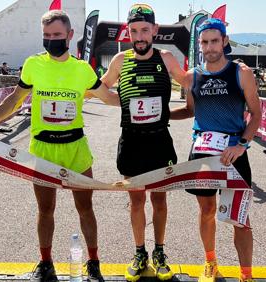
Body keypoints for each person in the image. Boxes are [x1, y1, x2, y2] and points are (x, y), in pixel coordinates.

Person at [0, 10, 119, 282]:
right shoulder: (32, 65)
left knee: (85, 207)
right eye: (46, 36)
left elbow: (108, 98)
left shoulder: (82, 70)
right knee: (45, 209)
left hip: (75, 148)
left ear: (70, 36)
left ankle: (94, 261)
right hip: (43, 149)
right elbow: (15, 100)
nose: (51, 41)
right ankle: (45, 261)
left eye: (57, 36)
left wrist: (137, 102)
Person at [171, 18, 261, 282]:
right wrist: (160, 115)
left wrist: (242, 145)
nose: (209, 47)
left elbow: (256, 115)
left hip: (233, 151)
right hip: (203, 151)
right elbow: (189, 111)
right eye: (204, 42)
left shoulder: (240, 72)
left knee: (240, 218)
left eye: (214, 41)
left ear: (224, 41)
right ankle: (210, 263)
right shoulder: (193, 76)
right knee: (207, 210)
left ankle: (247, 275)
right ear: (200, 45)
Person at [100, 4, 187, 281]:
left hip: (160, 142)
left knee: (159, 201)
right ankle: (140, 253)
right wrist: (121, 103)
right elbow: (101, 90)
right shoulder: (120, 61)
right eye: (134, 30)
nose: (139, 36)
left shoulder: (167, 58)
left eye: (145, 30)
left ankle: (159, 252)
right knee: (136, 202)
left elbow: (190, 82)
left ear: (155, 31)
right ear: (128, 32)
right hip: (132, 142)